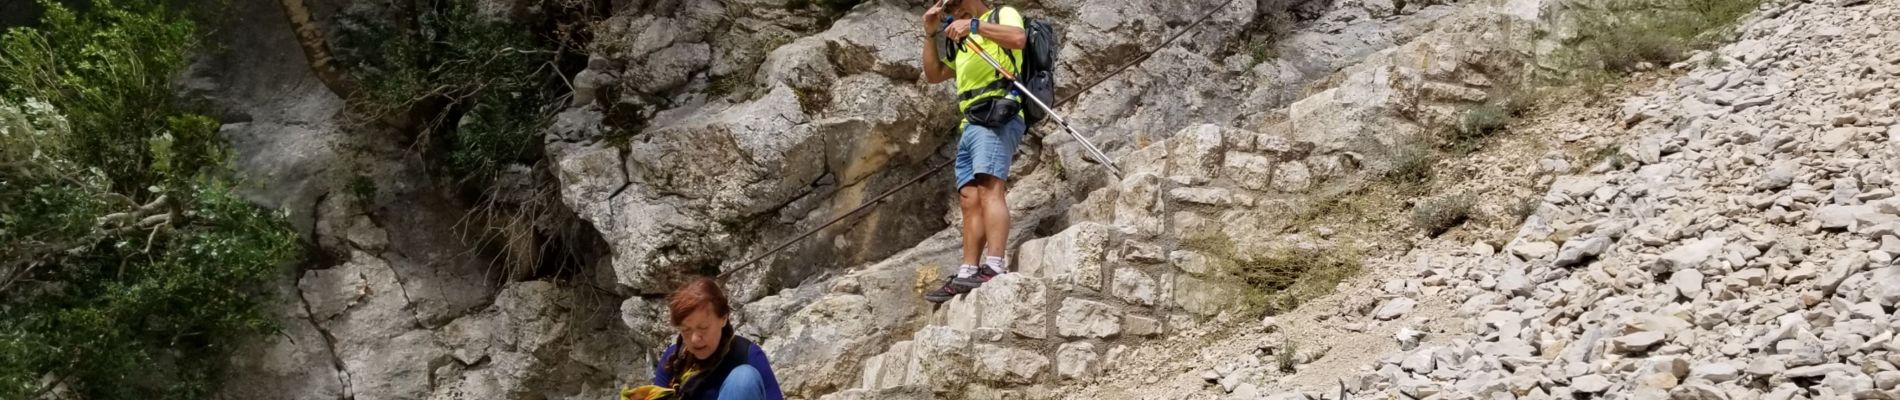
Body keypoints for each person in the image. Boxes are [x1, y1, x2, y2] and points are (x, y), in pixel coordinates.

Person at [920, 0, 1029, 303]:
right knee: (969, 198)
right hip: (970, 122)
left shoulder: (1000, 15)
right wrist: (930, 35)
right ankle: (968, 270)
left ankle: (994, 264)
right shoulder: (960, 38)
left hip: (998, 112)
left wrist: (975, 26)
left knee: (989, 187)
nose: (948, 9)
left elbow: (1018, 39)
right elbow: (934, 73)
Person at [622, 278, 784, 400]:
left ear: (723, 318)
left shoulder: (748, 355)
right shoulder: (673, 360)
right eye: (686, 330)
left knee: (744, 378)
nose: (694, 339)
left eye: (703, 328)